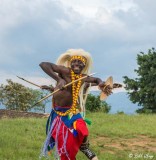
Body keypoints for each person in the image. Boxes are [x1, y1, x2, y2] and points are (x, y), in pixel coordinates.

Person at [39, 49, 112, 160]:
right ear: (70, 63)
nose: (77, 64)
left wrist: (101, 83)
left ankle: (84, 146)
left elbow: (96, 79)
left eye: (80, 62)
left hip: (71, 110)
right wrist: (59, 80)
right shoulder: (64, 71)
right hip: (57, 113)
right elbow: (43, 64)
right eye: (74, 62)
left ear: (84, 65)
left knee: (82, 128)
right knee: (65, 142)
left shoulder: (83, 78)